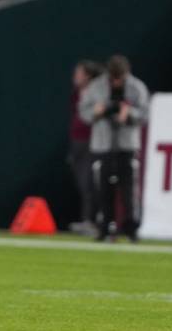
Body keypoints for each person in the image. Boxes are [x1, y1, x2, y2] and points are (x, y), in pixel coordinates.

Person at [78, 55, 149, 243]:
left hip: (127, 145)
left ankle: (131, 228)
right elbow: (83, 112)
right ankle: (104, 228)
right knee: (102, 189)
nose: (117, 82)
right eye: (114, 78)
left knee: (129, 190)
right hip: (102, 145)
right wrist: (97, 112)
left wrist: (129, 114)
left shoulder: (136, 88)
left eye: (120, 78)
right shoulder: (96, 87)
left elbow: (145, 114)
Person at [67, 60, 102, 236]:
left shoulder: (96, 93)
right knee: (82, 182)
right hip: (77, 142)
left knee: (89, 182)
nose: (75, 76)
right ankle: (87, 219)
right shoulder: (76, 93)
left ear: (87, 76)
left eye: (79, 73)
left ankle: (92, 221)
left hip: (91, 142)